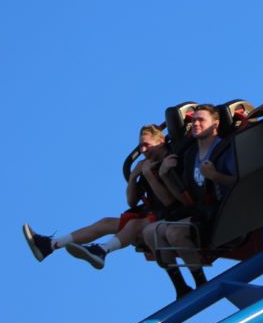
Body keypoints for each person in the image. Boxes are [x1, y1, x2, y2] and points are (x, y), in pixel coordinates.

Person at [22, 124, 171, 270]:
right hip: (154, 215)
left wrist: (149, 175)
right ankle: (50, 245)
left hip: (170, 215)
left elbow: (169, 201)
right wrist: (133, 177)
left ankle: (102, 251)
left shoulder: (170, 160)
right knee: (105, 222)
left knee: (133, 225)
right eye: (140, 147)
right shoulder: (146, 165)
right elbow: (131, 201)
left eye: (146, 145)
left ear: (160, 141)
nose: (143, 150)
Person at [145, 104, 238, 298]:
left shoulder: (223, 149)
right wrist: (166, 175)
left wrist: (215, 175)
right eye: (194, 120)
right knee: (150, 232)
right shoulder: (190, 154)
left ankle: (201, 283)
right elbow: (185, 198)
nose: (196, 124)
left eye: (201, 120)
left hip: (224, 211)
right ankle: (180, 286)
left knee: (174, 232)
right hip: (200, 212)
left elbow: (238, 182)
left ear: (215, 125)